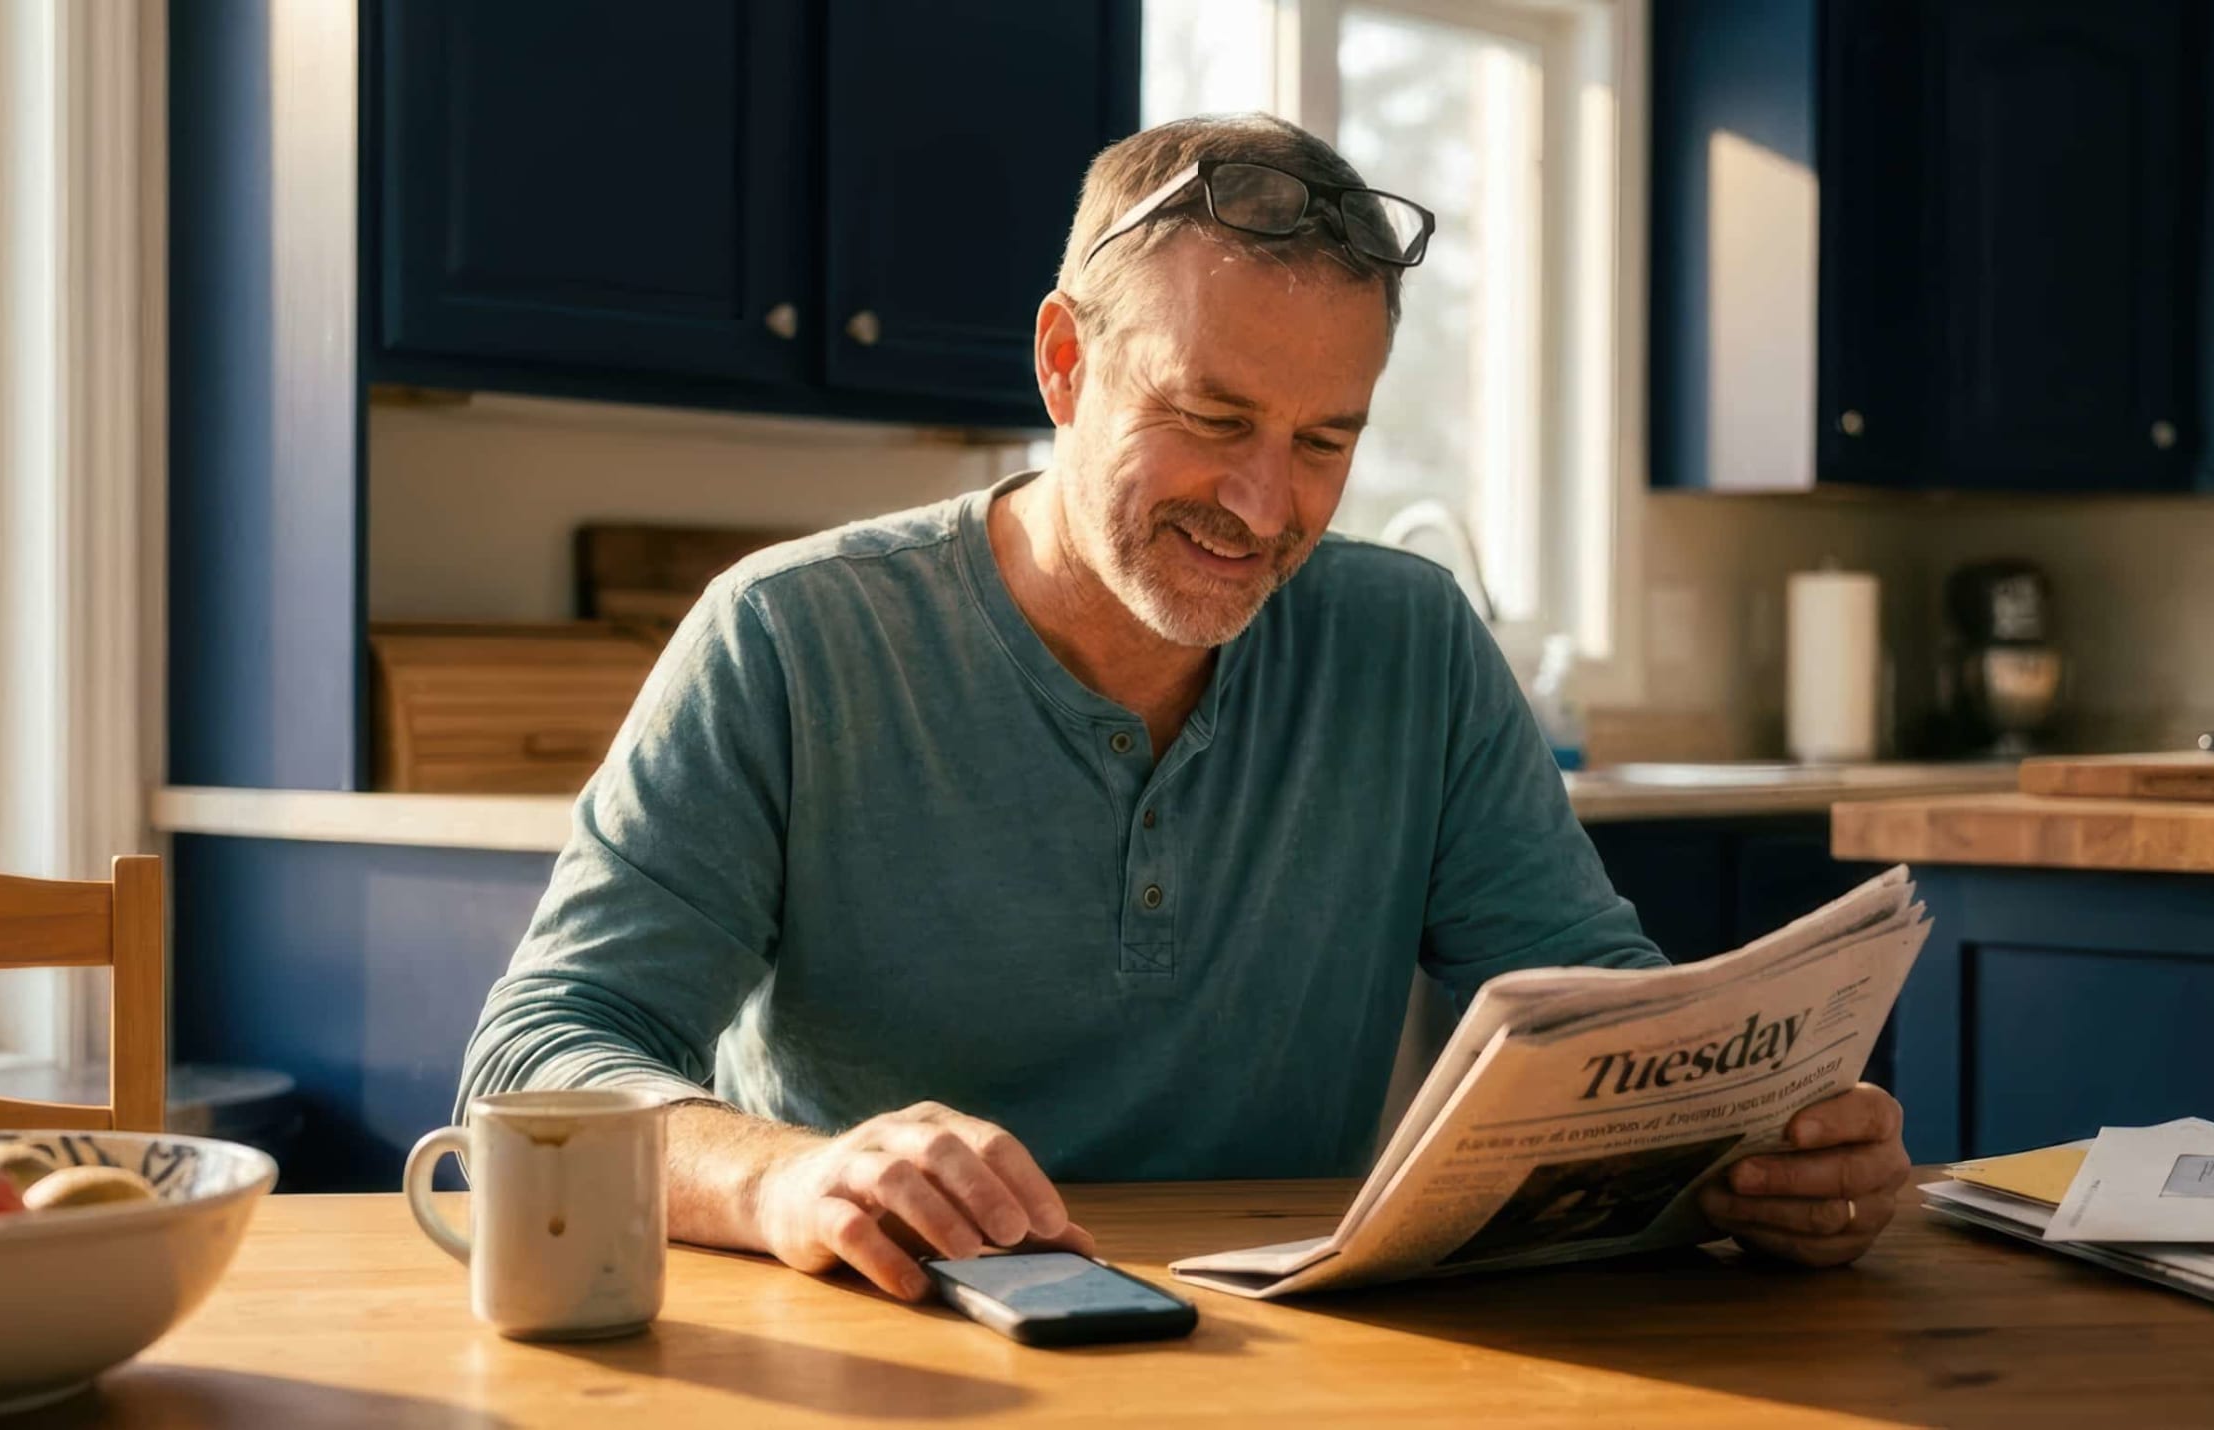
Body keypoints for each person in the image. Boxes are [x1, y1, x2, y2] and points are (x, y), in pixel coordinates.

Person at [457, 114, 1911, 1303]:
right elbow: (531, 1059)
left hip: (1297, 1350)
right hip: (889, 1352)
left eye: (1324, 440)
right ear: (1065, 364)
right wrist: (783, 1175)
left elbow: (1599, 1023)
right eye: (1213, 421)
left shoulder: (1412, 643)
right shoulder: (788, 638)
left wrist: (1749, 1158)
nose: (1266, 505)